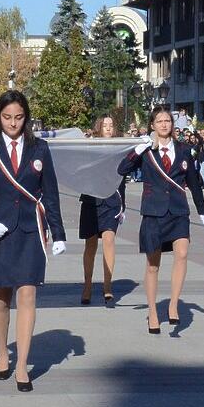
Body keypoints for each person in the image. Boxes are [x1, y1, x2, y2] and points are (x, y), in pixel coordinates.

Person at [0, 90, 66, 392]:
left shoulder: (40, 148)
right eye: (7, 117)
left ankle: (22, 364)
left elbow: (51, 193)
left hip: (30, 231)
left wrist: (58, 233)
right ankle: (1, 353)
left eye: (19, 117)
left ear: (27, 117)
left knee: (28, 295)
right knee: (0, 298)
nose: (13, 123)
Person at [117, 107, 204, 334]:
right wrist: (137, 150)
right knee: (153, 265)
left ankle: (173, 304)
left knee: (183, 254)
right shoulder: (147, 152)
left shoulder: (184, 150)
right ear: (152, 125)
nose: (165, 124)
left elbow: (193, 181)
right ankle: (153, 312)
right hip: (154, 213)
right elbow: (122, 169)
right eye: (160, 121)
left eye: (168, 120)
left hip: (178, 211)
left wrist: (202, 209)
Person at [79, 114, 125, 307]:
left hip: (111, 200)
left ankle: (107, 286)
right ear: (98, 127)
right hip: (91, 199)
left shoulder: (120, 148)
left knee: (109, 239)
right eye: (104, 125)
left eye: (111, 125)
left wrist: (123, 205)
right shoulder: (89, 147)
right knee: (90, 245)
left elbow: (123, 175)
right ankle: (87, 285)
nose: (108, 128)